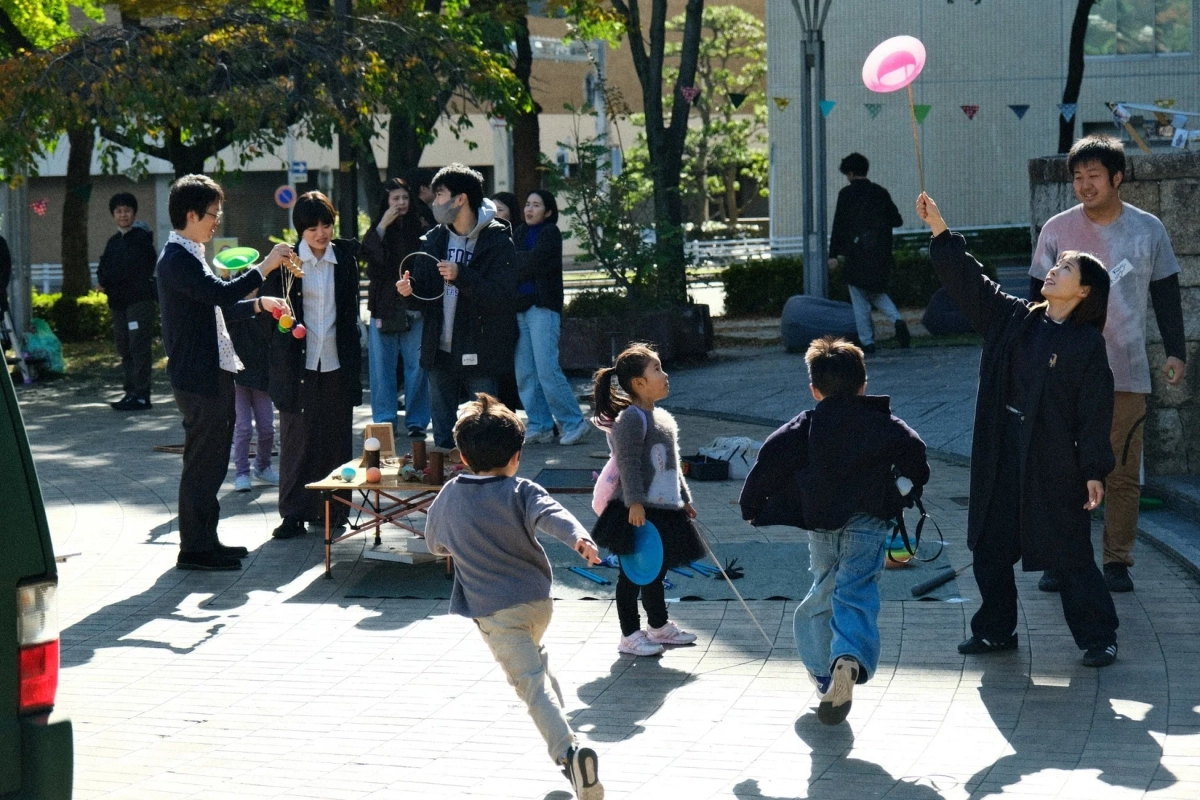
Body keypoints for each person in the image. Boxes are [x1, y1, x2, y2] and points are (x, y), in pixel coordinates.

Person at [917, 192, 1120, 668]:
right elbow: (971, 283)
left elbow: (1095, 410)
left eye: (1066, 269)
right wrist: (940, 228)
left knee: (1069, 550)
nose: (1053, 270)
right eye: (1057, 265)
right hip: (1000, 445)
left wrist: (1094, 469)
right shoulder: (1015, 318)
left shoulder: (1086, 344)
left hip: (1053, 457)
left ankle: (1098, 637)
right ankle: (994, 630)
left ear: (1085, 291)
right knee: (989, 541)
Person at [422, 393, 605, 800]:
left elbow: (434, 544)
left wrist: (462, 541)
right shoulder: (521, 489)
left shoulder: (450, 494)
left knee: (530, 687)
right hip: (538, 604)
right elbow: (553, 514)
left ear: (464, 457)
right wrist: (580, 539)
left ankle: (570, 754)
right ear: (516, 456)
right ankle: (569, 742)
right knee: (537, 667)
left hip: (495, 613)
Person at [739, 336, 930, 725]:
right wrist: (905, 489)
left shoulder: (806, 425)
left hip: (821, 522)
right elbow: (916, 454)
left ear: (814, 389)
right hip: (870, 521)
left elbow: (771, 458)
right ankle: (849, 657)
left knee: (824, 587)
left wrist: (752, 505)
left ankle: (825, 674)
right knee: (856, 590)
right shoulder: (884, 423)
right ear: (864, 385)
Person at [1029, 135, 1187, 595]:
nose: (1084, 184)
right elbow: (1034, 300)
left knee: (1119, 471)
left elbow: (1166, 293)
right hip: (1060, 373)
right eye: (1077, 176)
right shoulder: (1056, 229)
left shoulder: (1147, 229)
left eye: (1093, 175)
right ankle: (1058, 557)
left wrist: (1175, 351)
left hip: (1125, 369)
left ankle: (1117, 560)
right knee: (1059, 468)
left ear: (1117, 177)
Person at [156, 174, 293, 570]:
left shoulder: (189, 253)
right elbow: (218, 293)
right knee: (203, 462)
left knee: (213, 461)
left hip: (211, 370)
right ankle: (195, 549)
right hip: (198, 375)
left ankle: (206, 540)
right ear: (192, 213)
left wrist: (258, 304)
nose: (217, 221)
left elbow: (214, 306)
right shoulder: (176, 259)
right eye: (213, 214)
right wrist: (265, 267)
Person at [590, 343, 705, 657]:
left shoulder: (663, 419)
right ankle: (629, 634)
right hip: (635, 509)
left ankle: (659, 626)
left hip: (663, 508)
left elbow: (671, 463)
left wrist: (684, 499)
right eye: (657, 369)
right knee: (633, 572)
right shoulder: (631, 419)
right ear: (638, 383)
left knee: (657, 566)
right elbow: (626, 462)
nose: (665, 375)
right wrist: (634, 502)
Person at [395, 163, 517, 450]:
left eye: (440, 195)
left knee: (487, 429)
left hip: (481, 347)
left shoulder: (497, 239)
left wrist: (462, 275)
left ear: (460, 199)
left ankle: (488, 487)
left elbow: (501, 296)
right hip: (440, 349)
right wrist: (409, 293)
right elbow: (425, 295)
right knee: (443, 436)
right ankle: (446, 491)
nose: (435, 202)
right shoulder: (435, 238)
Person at [264, 192, 363, 540]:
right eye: (312, 228)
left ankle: (334, 511)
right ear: (300, 230)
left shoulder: (344, 259)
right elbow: (269, 311)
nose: (321, 233)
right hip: (297, 363)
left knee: (335, 437)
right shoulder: (287, 262)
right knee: (297, 438)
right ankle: (293, 513)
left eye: (327, 224)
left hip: (337, 359)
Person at [514, 190, 590, 446]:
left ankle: (574, 422)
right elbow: (509, 264)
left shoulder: (549, 233)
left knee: (547, 370)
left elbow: (530, 264)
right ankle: (540, 425)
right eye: (527, 204)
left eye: (536, 205)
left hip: (542, 308)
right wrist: (517, 263)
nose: (529, 209)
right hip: (521, 309)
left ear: (547, 211)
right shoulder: (520, 232)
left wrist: (516, 262)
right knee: (525, 372)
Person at [363, 177, 430, 439]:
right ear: (386, 202)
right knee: (382, 368)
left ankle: (417, 421)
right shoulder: (378, 227)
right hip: (384, 307)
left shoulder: (421, 225)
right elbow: (367, 255)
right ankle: (384, 421)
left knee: (418, 367)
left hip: (415, 305)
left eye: (404, 198)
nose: (400, 204)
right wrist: (382, 225)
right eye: (395, 199)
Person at [827, 153, 909, 353]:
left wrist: (833, 254)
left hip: (856, 254)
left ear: (851, 173)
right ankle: (897, 320)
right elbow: (897, 220)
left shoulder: (846, 195)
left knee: (859, 298)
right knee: (876, 291)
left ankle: (867, 341)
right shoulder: (880, 192)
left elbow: (839, 225)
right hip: (880, 254)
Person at [97, 192, 159, 410]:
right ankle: (130, 392)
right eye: (119, 211)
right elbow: (103, 269)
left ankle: (142, 395)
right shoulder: (113, 242)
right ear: (113, 215)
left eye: (127, 211)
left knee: (138, 347)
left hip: (139, 302)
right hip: (118, 303)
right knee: (124, 348)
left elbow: (131, 269)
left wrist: (110, 279)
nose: (123, 215)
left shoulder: (141, 239)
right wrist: (105, 280)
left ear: (134, 213)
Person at [225, 280, 278, 493]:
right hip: (237, 378)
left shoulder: (266, 309)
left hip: (262, 377)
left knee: (267, 428)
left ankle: (263, 467)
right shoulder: (230, 309)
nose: (251, 289)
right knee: (243, 428)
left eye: (254, 285)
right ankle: (241, 473)